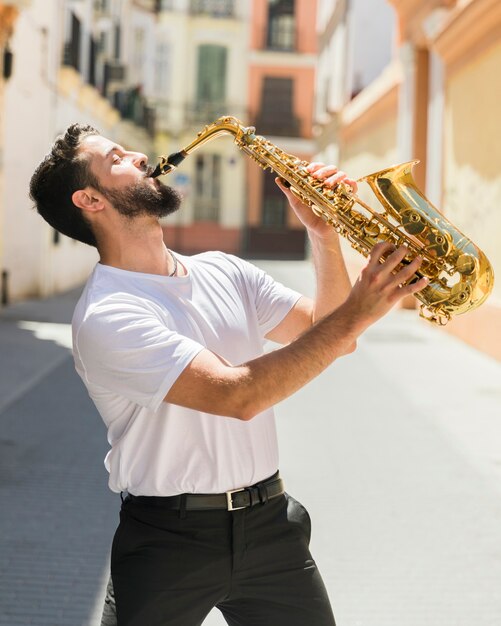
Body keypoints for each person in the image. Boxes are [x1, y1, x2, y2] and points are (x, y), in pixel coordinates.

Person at [29, 123, 427, 626]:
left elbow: (331, 335)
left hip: (270, 526)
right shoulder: (108, 313)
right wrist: (360, 308)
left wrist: (324, 236)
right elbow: (238, 396)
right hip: (167, 540)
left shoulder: (225, 270)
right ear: (90, 199)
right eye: (117, 158)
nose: (139, 154)